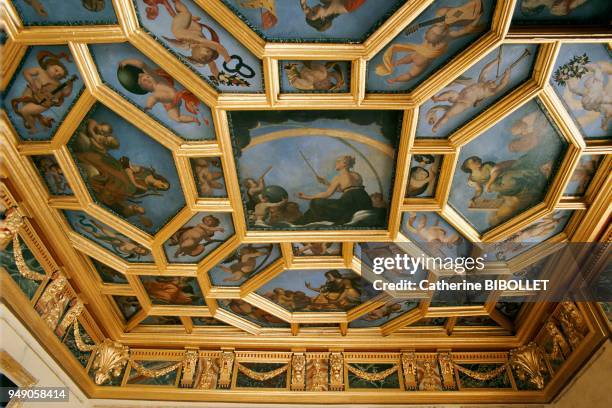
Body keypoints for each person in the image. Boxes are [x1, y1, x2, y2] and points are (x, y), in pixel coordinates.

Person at [375, 0, 483, 84]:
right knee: (411, 74)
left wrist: (420, 25)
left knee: (408, 61)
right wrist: (477, 19)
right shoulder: (448, 35)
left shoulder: (437, 27)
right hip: (423, 59)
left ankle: (395, 66)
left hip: (417, 53)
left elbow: (445, 20)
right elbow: (465, 30)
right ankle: (395, 79)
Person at [426, 48, 531, 132]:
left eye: (493, 84)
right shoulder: (482, 81)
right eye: (491, 81)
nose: (491, 82)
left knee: (447, 114)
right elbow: (486, 69)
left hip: (464, 103)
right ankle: (438, 99)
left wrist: (507, 74)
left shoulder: (490, 92)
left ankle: (436, 126)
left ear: (493, 88)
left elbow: (503, 84)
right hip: (459, 96)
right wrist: (496, 61)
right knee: (451, 93)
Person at [143, 0, 232, 77]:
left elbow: (217, 46)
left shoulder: (197, 41)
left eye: (207, 52)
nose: (208, 49)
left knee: (185, 13)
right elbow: (213, 66)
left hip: (180, 28)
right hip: (186, 27)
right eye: (209, 51)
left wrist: (227, 58)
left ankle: (177, 3)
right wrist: (219, 73)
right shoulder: (203, 50)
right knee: (177, 15)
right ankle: (183, 11)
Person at [118, 58, 201, 125]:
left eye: (147, 77)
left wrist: (127, 61)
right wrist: (148, 106)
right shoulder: (154, 94)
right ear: (143, 88)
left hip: (176, 95)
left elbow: (142, 64)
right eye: (144, 82)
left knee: (155, 97)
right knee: (177, 118)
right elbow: (152, 99)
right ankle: (193, 119)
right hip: (171, 105)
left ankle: (191, 105)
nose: (147, 80)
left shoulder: (157, 79)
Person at [296, 155, 373, 225]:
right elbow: (347, 188)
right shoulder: (356, 175)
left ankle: (299, 223)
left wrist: (306, 197)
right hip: (365, 200)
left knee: (315, 202)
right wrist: (326, 183)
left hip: (349, 202)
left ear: (345, 164)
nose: (336, 163)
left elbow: (327, 194)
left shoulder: (338, 177)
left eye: (338, 161)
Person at [11, 51, 76, 133]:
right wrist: (32, 83)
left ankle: (33, 128)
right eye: (56, 70)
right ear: (49, 65)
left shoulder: (57, 84)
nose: (57, 74)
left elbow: (65, 94)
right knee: (25, 111)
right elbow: (26, 72)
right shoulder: (40, 71)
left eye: (60, 75)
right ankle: (31, 120)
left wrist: (70, 85)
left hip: (44, 103)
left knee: (24, 111)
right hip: (30, 93)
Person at [299, 0, 367, 32]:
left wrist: (303, 5)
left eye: (310, 10)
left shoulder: (325, 1)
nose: (312, 8)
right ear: (322, 18)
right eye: (313, 12)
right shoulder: (351, 4)